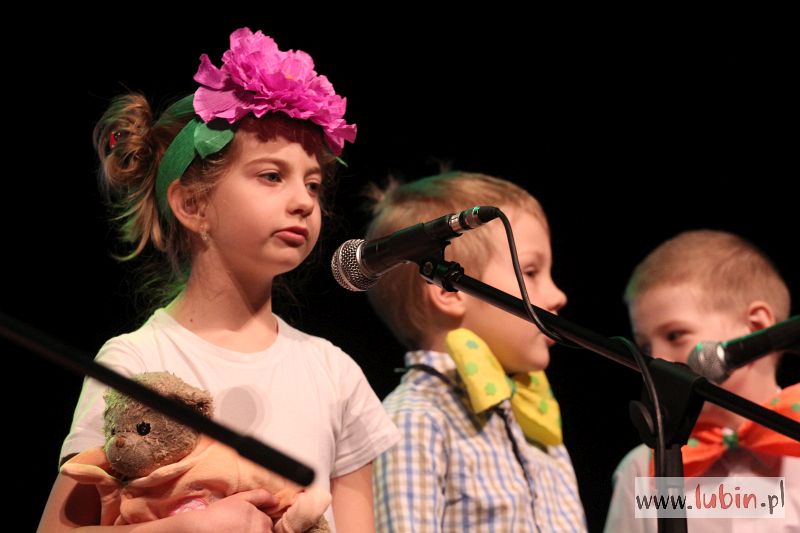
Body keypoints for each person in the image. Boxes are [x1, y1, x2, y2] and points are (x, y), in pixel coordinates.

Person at [38, 27, 399, 532]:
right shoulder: (136, 359)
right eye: (272, 176)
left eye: (313, 184)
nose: (303, 201)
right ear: (193, 205)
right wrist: (186, 528)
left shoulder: (334, 373)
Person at [367, 172, 587, 531]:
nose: (558, 295)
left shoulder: (540, 430)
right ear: (449, 290)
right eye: (531, 271)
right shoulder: (415, 422)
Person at [604, 229, 800, 532]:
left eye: (675, 335)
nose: (655, 360)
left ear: (755, 327)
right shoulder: (644, 470)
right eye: (645, 347)